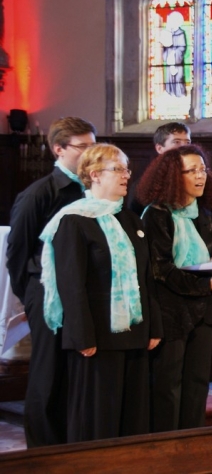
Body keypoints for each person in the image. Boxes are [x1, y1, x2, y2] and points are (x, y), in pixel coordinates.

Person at [39, 144, 162, 442]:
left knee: (132, 419)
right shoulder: (74, 220)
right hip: (96, 337)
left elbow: (146, 279)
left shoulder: (132, 220)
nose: (126, 176)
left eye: (127, 169)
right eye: (118, 169)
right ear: (94, 175)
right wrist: (81, 335)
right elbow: (71, 284)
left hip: (134, 333)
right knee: (96, 420)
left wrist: (154, 326)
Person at [6, 116, 96, 447]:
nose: (90, 153)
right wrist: (31, 292)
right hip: (45, 291)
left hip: (82, 292)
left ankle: (71, 443)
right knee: (48, 371)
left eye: (93, 145)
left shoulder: (93, 189)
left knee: (75, 372)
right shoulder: (39, 194)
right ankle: (42, 450)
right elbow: (17, 251)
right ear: (59, 149)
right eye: (83, 147)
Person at [136, 145, 212, 432]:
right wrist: (207, 283)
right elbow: (161, 270)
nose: (200, 175)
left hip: (202, 310)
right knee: (168, 384)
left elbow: (206, 256)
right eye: (191, 170)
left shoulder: (204, 213)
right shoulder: (155, 215)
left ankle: (192, 442)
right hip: (170, 311)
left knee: (197, 382)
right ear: (171, 176)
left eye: (202, 169)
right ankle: (166, 446)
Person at [128, 122, 191, 215]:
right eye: (177, 142)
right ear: (159, 149)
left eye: (187, 142)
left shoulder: (198, 179)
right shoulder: (144, 185)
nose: (184, 147)